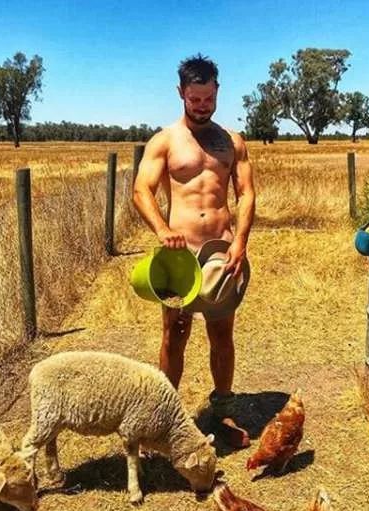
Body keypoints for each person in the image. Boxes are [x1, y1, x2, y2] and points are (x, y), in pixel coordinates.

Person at [133, 54, 256, 448]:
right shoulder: (165, 141)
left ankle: (223, 413)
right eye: (194, 99)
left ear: (217, 91)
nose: (202, 106)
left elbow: (246, 193)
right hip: (180, 258)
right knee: (174, 335)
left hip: (221, 255)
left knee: (222, 335)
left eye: (209, 98)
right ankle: (164, 420)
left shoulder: (232, 142)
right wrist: (162, 229)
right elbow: (141, 190)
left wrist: (240, 241)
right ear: (180, 93)